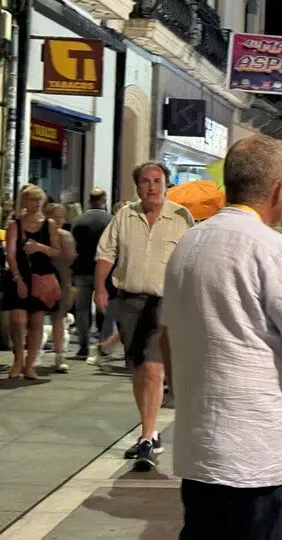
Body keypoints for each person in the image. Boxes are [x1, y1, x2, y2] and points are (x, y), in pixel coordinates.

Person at [161, 136, 282, 540]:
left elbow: (167, 338)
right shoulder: (273, 248)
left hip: (199, 449)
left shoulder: (188, 243)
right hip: (257, 453)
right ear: (278, 189)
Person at [95, 162, 193, 471]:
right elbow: (106, 252)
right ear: (137, 186)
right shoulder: (125, 215)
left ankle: (148, 437)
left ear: (167, 184)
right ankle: (148, 429)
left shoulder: (181, 217)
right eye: (146, 181)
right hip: (130, 300)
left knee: (153, 366)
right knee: (137, 366)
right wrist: (100, 288)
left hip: (166, 301)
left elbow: (191, 259)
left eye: (157, 180)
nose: (152, 186)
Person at [4, 185, 62, 380]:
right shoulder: (15, 225)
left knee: (36, 321)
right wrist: (17, 278)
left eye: (39, 200)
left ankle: (30, 364)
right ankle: (18, 359)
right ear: (24, 202)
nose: (36, 204)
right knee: (18, 320)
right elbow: (11, 255)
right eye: (31, 200)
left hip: (42, 276)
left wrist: (39, 247)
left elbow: (56, 251)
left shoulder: (50, 224)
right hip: (20, 276)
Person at [87, 200, 130, 371]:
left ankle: (104, 349)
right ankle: (103, 349)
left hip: (121, 283)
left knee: (127, 322)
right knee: (125, 322)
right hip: (118, 283)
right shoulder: (117, 232)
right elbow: (107, 258)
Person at [71, 188, 112, 357]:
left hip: (82, 269)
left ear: (89, 200)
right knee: (104, 307)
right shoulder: (111, 220)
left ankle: (83, 346)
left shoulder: (78, 221)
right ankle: (103, 345)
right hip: (104, 269)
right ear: (105, 200)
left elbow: (72, 246)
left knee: (82, 309)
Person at [45, 203, 77, 373]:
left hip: (62, 279)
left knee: (58, 319)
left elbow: (70, 259)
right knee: (33, 319)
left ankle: (59, 356)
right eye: (55, 217)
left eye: (60, 217)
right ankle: (28, 357)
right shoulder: (43, 235)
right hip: (42, 278)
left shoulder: (65, 236)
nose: (58, 220)